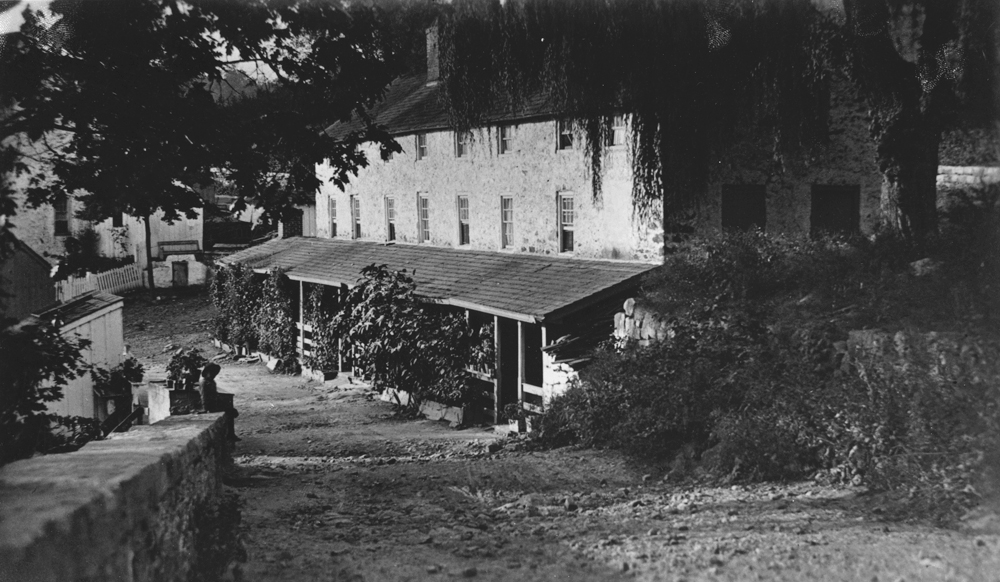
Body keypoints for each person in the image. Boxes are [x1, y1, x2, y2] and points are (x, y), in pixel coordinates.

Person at [199, 362, 239, 442]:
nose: (214, 375)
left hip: (214, 403)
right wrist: (205, 408)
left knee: (231, 410)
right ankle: (230, 435)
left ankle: (230, 434)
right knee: (231, 411)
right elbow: (204, 396)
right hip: (211, 406)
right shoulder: (205, 383)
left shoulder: (210, 381)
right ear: (207, 372)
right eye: (212, 373)